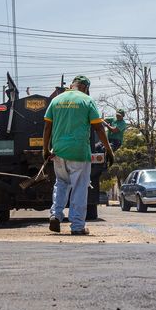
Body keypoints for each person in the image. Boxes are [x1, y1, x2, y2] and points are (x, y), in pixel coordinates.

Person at [42, 75, 112, 236]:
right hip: (79, 152)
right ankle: (77, 225)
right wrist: (108, 150)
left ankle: (55, 215)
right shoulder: (87, 101)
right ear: (86, 88)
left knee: (61, 183)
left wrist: (45, 149)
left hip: (58, 151)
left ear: (72, 85)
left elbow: (47, 127)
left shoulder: (57, 100)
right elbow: (99, 128)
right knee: (80, 187)